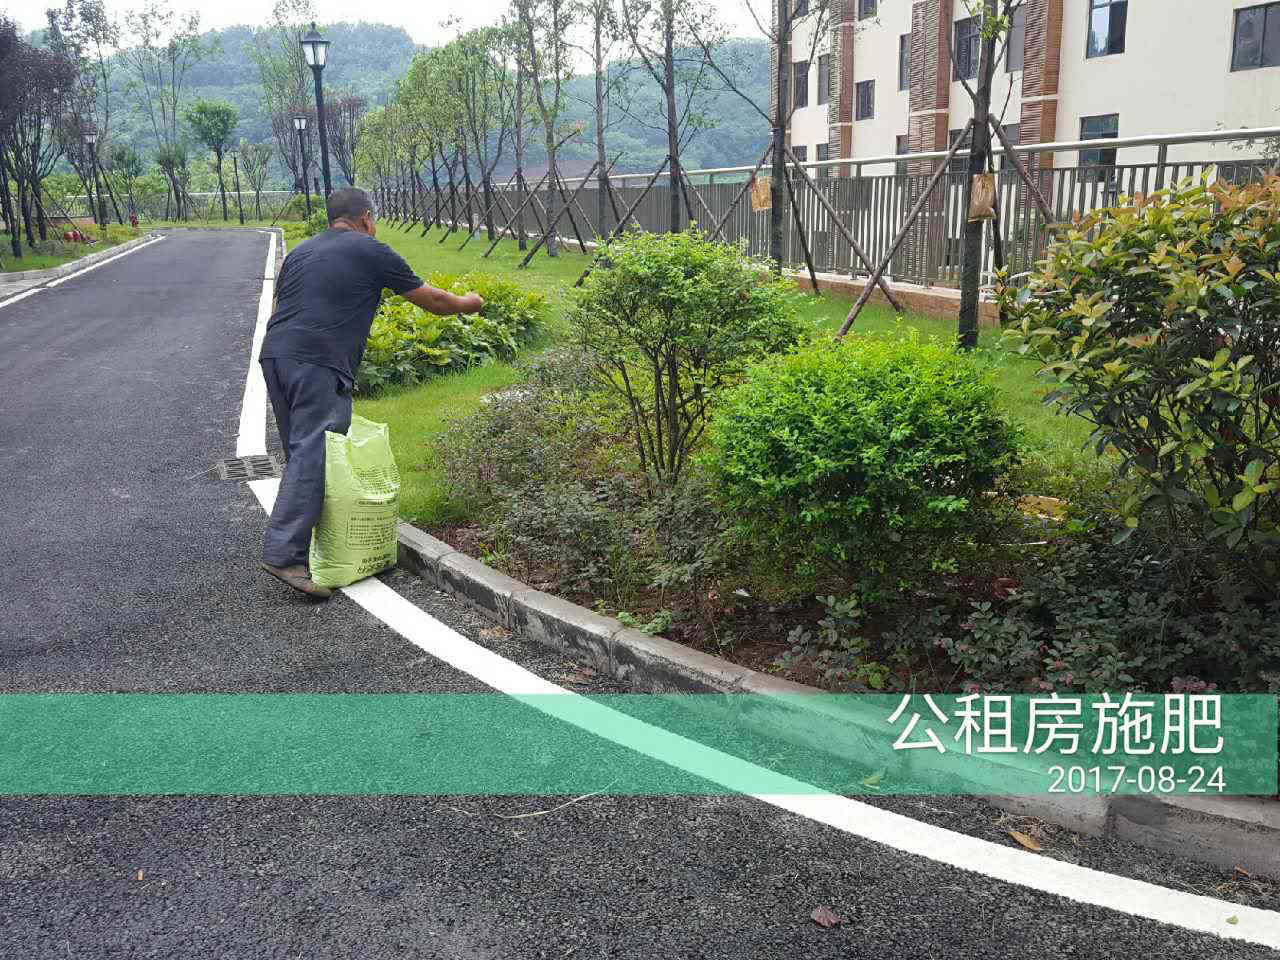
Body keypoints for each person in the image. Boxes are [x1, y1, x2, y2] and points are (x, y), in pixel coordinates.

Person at [258, 187, 483, 600]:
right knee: (316, 451)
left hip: (276, 355)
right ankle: (283, 553)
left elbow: (282, 307)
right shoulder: (370, 249)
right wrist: (470, 302)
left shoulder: (300, 253)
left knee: (302, 452)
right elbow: (434, 301)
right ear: (365, 217)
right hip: (318, 361)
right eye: (373, 220)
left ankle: (315, 544)